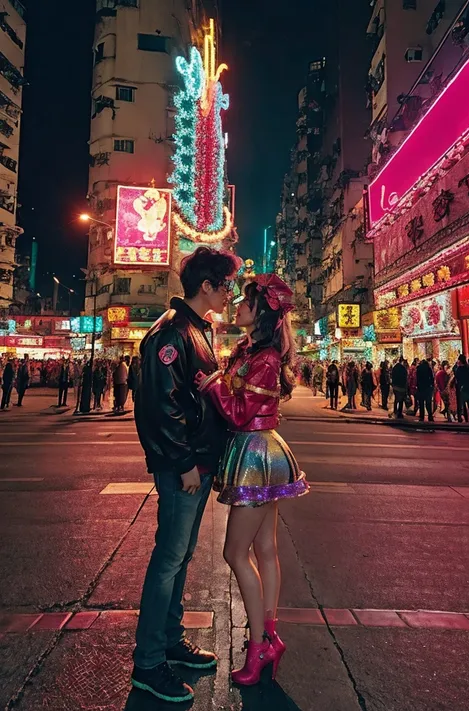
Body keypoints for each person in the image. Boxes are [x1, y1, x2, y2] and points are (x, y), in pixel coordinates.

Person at [132, 246, 240, 703]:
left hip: (196, 463)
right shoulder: (171, 334)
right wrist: (184, 465)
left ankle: (170, 641)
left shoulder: (197, 329)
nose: (230, 292)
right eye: (226, 284)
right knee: (168, 560)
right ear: (207, 286)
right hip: (184, 468)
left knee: (180, 557)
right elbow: (160, 408)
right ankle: (149, 663)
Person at [196, 274, 308, 687]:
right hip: (260, 449)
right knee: (265, 548)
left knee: (234, 553)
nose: (238, 306)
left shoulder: (265, 358)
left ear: (261, 312)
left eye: (245, 302)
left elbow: (241, 412)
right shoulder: (251, 350)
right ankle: (269, 636)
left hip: (255, 450)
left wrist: (211, 386)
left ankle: (259, 643)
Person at [455, 354, 469, 425]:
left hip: (462, 389)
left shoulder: (458, 369)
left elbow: (457, 379)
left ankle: (462, 419)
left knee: (461, 405)